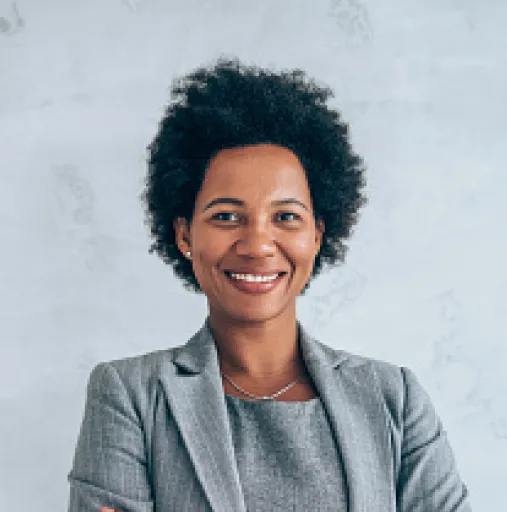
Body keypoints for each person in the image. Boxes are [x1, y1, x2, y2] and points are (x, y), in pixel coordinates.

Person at [67, 57, 472, 511]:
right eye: (226, 216)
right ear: (184, 235)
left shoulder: (394, 397)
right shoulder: (131, 395)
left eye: (286, 217)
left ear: (317, 234)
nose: (258, 244)